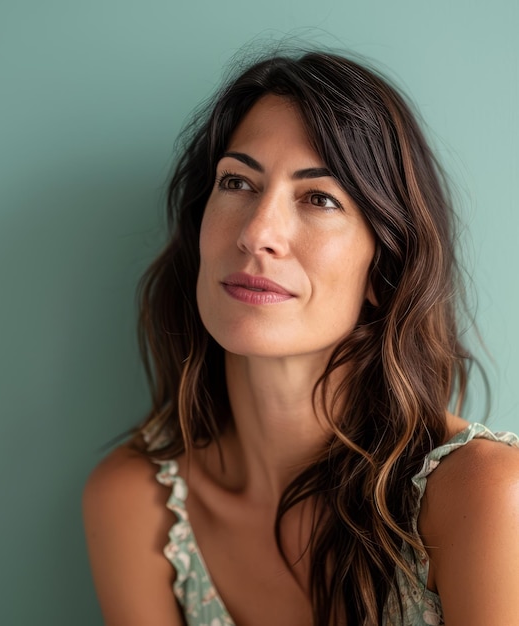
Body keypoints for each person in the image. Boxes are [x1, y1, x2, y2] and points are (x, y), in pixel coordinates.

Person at [83, 49, 519, 625]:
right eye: (237, 182)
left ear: (383, 269)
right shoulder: (137, 503)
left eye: (319, 198)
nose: (257, 232)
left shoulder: (482, 495)